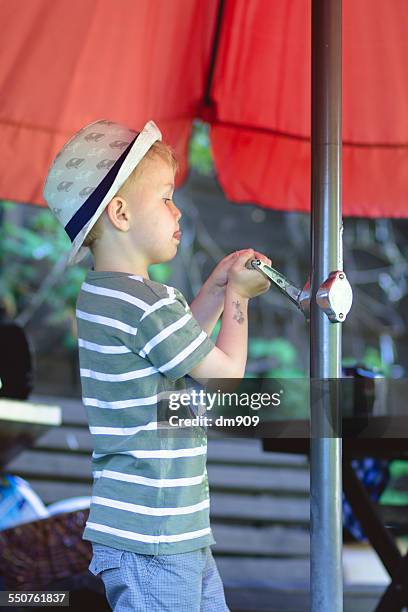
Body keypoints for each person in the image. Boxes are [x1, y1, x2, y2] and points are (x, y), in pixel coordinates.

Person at [43, 119, 271, 611]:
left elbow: (170, 353)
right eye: (166, 197)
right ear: (121, 213)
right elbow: (224, 375)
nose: (178, 209)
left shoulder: (107, 296)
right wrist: (239, 299)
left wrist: (212, 288)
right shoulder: (146, 304)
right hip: (156, 534)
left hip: (160, 528)